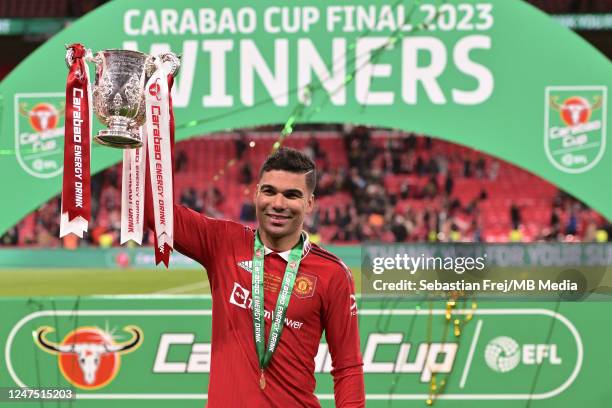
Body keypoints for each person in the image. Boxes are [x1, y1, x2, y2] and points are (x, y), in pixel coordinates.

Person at [147, 147, 365, 407]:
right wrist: (139, 140)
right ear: (256, 193)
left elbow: (347, 367)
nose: (278, 204)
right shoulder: (224, 243)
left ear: (309, 203)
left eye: (292, 195)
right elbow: (154, 211)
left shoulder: (333, 274)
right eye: (270, 191)